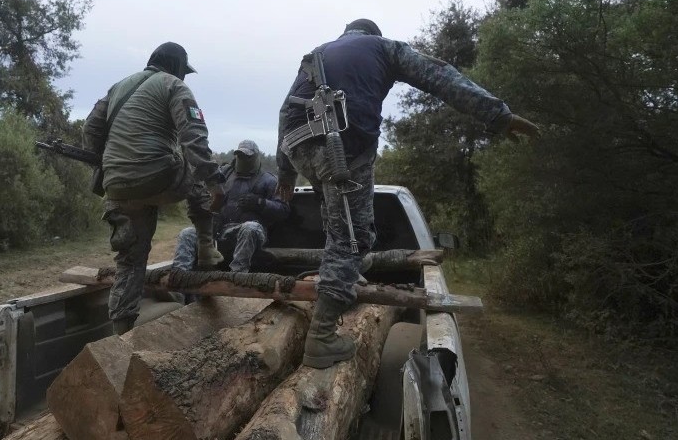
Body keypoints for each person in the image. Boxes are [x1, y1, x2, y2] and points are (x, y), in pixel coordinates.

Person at [275, 18, 539, 369]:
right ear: (373, 35)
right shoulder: (385, 48)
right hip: (343, 143)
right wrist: (498, 115)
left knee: (342, 225)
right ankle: (321, 338)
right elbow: (440, 76)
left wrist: (285, 173)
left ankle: (343, 277)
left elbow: (285, 112)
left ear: (347, 34)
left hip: (296, 145)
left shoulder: (316, 54)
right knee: (351, 241)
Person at [83, 42, 226, 335]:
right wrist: (214, 183)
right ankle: (206, 246)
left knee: (130, 263)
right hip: (157, 176)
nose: (184, 77)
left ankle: (121, 336)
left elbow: (90, 130)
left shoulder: (118, 87)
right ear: (176, 66)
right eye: (184, 71)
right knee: (196, 163)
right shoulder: (174, 85)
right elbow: (193, 137)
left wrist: (112, 163)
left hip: (117, 186)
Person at [173, 140, 289, 273]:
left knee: (249, 228)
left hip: (252, 233)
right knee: (187, 233)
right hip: (221, 231)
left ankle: (237, 275)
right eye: (240, 155)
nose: (242, 159)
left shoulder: (269, 181)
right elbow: (206, 198)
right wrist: (212, 215)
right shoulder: (224, 175)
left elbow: (283, 210)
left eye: (247, 156)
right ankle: (179, 279)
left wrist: (260, 203)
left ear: (256, 157)